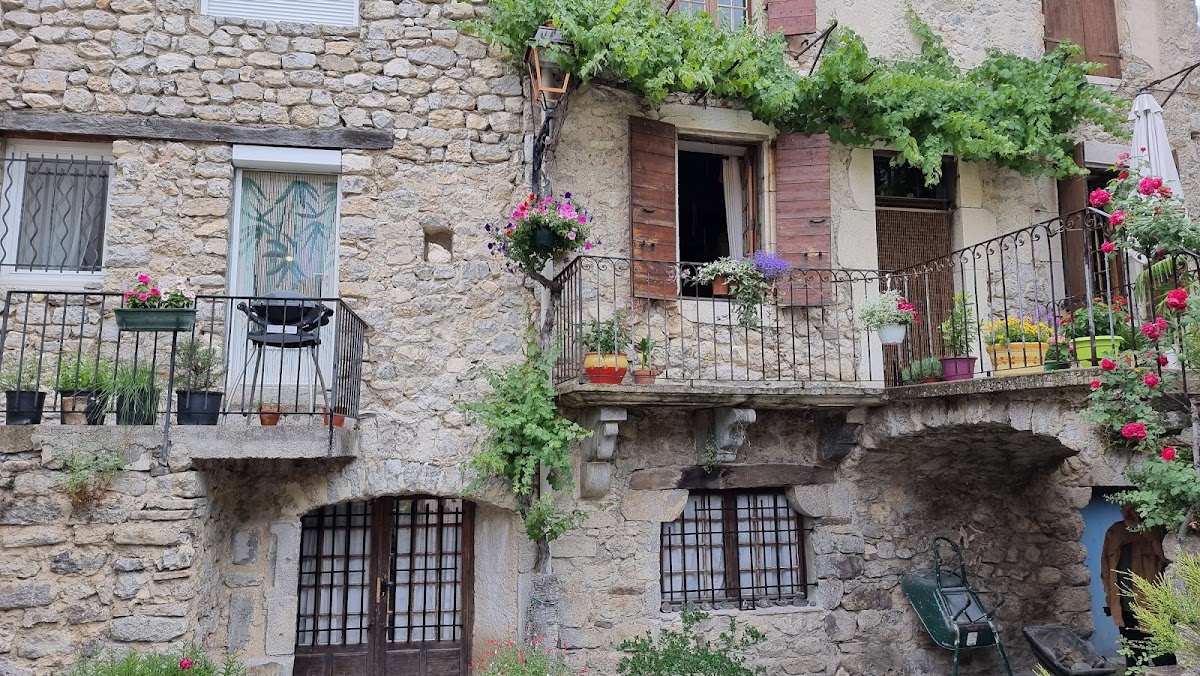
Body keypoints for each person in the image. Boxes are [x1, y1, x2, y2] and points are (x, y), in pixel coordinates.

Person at [1101, 503, 1176, 669]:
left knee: (1163, 659)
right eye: (1123, 509)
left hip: (1155, 609)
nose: (1127, 513)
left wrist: (1154, 539)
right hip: (1126, 608)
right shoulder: (1114, 532)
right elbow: (1105, 569)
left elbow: (1170, 561)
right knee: (1133, 660)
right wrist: (1111, 600)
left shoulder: (1156, 531)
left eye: (1132, 509)